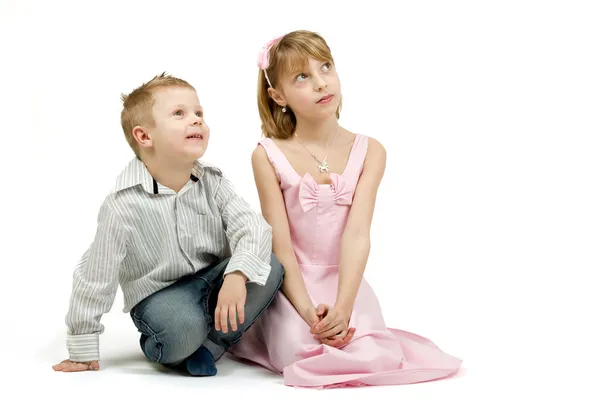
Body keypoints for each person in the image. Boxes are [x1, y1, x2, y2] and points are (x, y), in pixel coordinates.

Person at [228, 30, 462, 388]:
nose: (322, 83)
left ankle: (349, 321)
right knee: (300, 351)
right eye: (302, 77)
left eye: (326, 67)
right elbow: (280, 246)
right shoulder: (267, 155)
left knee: (373, 354)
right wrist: (308, 311)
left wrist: (342, 307)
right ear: (278, 96)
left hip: (345, 280)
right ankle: (281, 327)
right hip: (292, 284)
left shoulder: (371, 150)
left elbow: (357, 234)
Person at [52, 72, 284, 376]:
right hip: (161, 296)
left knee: (269, 266)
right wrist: (83, 347)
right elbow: (96, 276)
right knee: (179, 329)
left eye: (199, 113)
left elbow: (252, 227)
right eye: (180, 114)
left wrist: (237, 275)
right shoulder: (122, 205)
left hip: (215, 280)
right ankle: (169, 345)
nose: (197, 120)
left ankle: (211, 345)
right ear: (144, 137)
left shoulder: (212, 183)